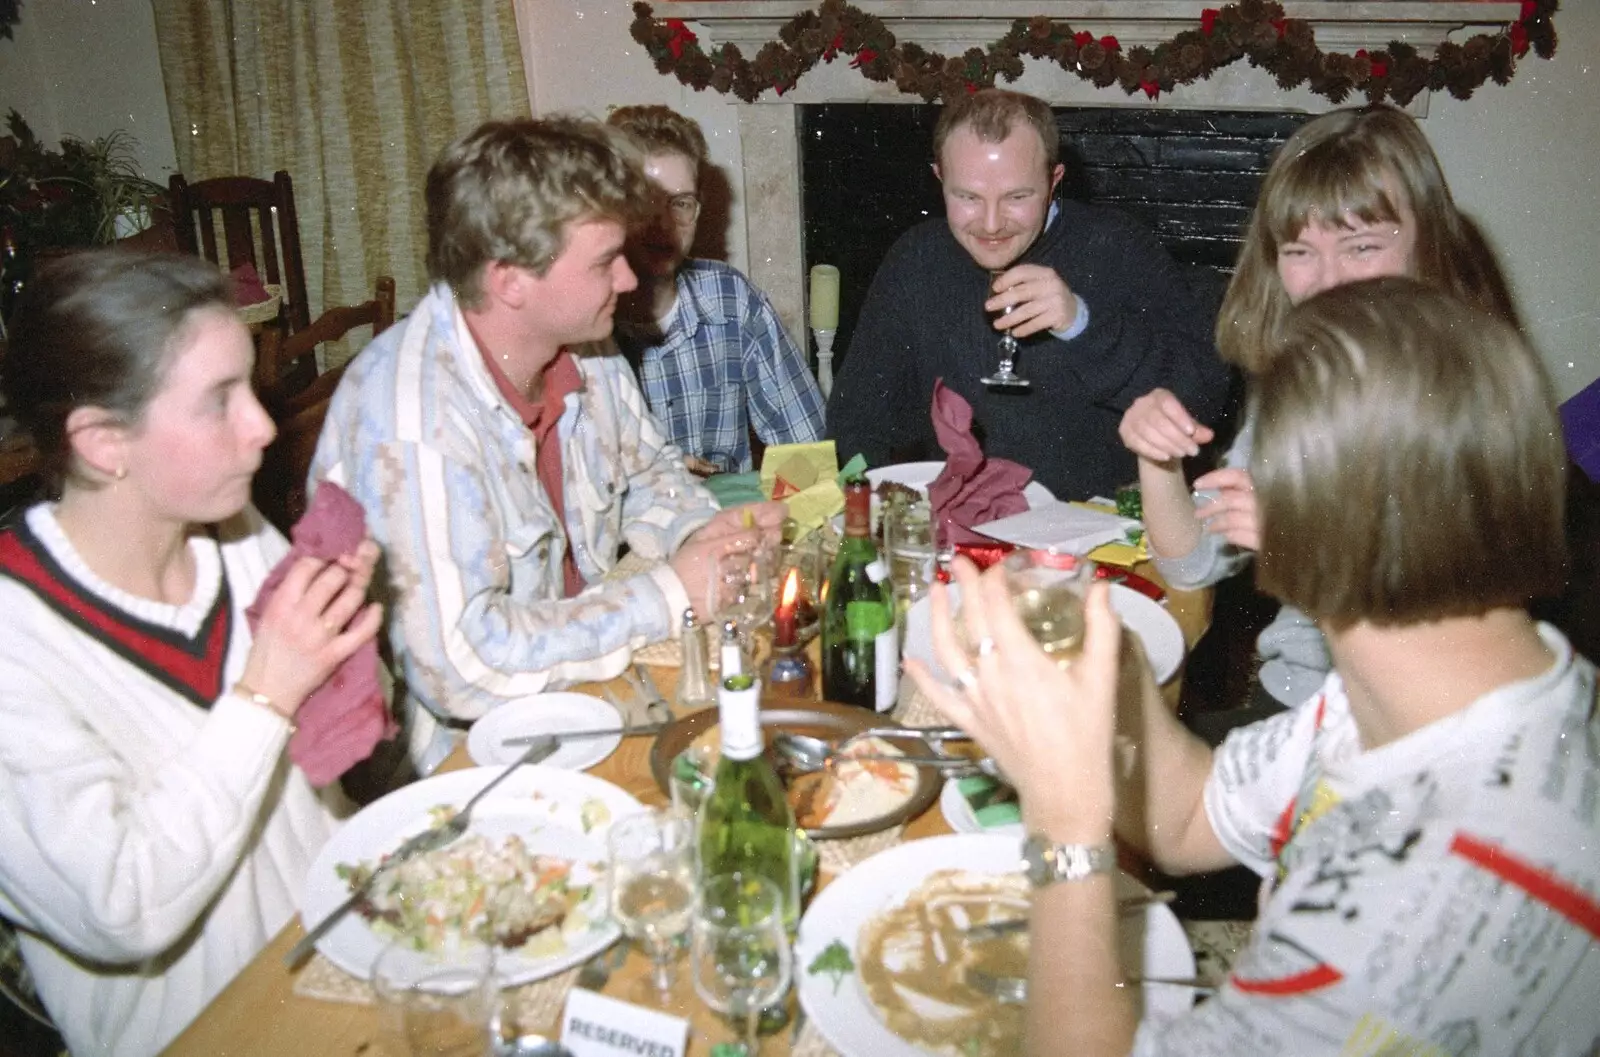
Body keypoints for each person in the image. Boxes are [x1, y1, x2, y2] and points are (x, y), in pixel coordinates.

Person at [911, 278, 1600, 1057]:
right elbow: (1190, 817)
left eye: (1257, 468)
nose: (1233, 485)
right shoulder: (1435, 678)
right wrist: (1112, 669)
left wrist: (1064, 817)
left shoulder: (1427, 911)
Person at [310, 117, 783, 774]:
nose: (627, 278)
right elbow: (461, 666)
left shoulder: (583, 342)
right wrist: (672, 593)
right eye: (603, 261)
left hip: (588, 685)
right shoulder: (413, 422)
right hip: (466, 757)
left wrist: (711, 540)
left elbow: (646, 468)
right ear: (510, 279)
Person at [0, 250, 383, 1057]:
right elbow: (121, 906)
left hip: (345, 967)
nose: (264, 426)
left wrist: (345, 648)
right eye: (219, 402)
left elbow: (332, 762)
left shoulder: (235, 534)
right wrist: (268, 691)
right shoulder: (18, 640)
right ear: (104, 442)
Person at [1119, 105, 1520, 724]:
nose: (1328, 283)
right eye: (1300, 250)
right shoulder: (1301, 382)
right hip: (1298, 700)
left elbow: (1467, 638)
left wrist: (1313, 548)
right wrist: (1157, 459)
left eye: (1362, 245)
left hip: (1416, 717)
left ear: (1428, 244)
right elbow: (1191, 564)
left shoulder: (1472, 398)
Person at [825, 88, 1229, 501]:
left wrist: (1081, 323)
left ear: (1054, 181)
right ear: (939, 178)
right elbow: (856, 421)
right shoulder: (917, 258)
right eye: (967, 197)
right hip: (960, 532)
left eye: (1017, 197)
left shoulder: (1118, 246)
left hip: (1100, 533)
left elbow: (1201, 401)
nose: (991, 224)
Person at [606, 104, 825, 475]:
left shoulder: (731, 299)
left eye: (681, 203)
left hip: (731, 524)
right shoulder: (581, 319)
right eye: (644, 202)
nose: (664, 225)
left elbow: (807, 449)